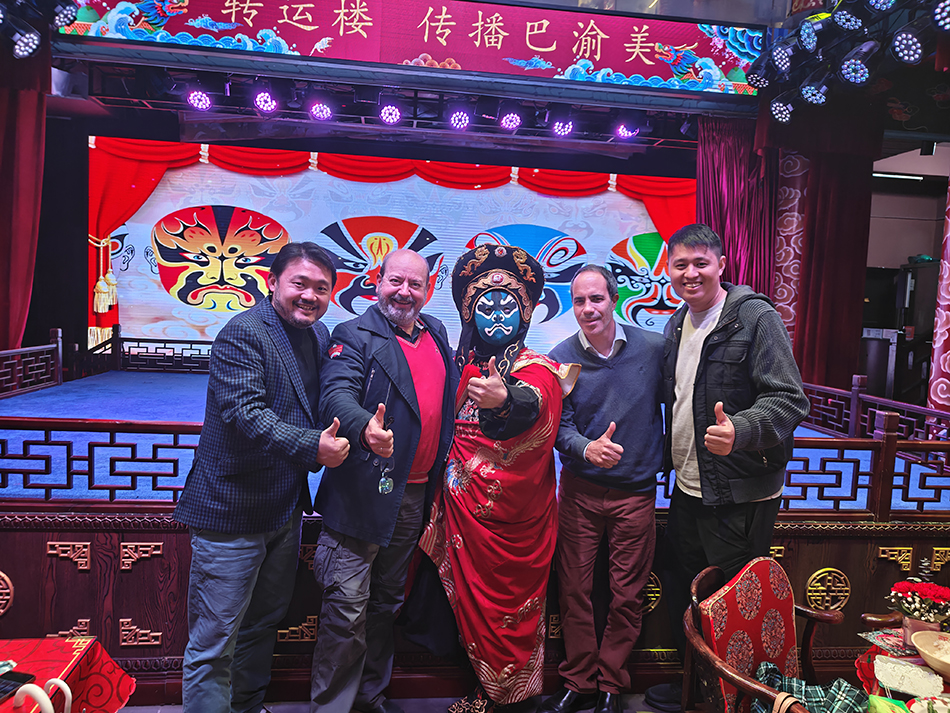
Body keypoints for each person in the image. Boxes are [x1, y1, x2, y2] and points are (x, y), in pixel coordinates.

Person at [174, 242, 350, 713]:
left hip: (283, 509)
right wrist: (313, 447)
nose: (310, 295)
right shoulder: (243, 333)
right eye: (299, 284)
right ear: (273, 282)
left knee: (262, 625)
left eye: (321, 288)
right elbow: (245, 415)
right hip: (230, 510)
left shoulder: (318, 335)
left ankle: (247, 706)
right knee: (214, 642)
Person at [645, 224, 810, 712]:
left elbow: (790, 399)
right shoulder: (677, 324)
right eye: (680, 264)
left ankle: (739, 700)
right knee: (689, 593)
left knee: (735, 604)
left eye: (701, 263)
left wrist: (742, 428)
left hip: (740, 493)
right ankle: (698, 689)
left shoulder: (755, 317)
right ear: (668, 270)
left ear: (721, 264)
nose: (690, 273)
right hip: (689, 487)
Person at [418, 244, 578, 713]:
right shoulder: (462, 365)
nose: (497, 316)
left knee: (511, 612)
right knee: (470, 611)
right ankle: (487, 693)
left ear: (525, 314)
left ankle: (514, 699)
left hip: (516, 521)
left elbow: (531, 404)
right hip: (463, 516)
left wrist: (504, 401)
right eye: (486, 308)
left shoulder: (538, 370)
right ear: (470, 314)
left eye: (508, 307)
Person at [310, 248, 458, 713]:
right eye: (396, 281)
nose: (404, 292)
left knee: (386, 604)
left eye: (415, 284)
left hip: (414, 495)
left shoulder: (436, 332)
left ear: (428, 290)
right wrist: (363, 429)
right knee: (347, 608)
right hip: (363, 494)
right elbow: (335, 394)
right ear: (377, 281)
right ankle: (332, 708)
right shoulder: (353, 334)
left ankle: (369, 698)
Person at [543, 265, 664, 713]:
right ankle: (579, 681)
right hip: (580, 491)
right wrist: (586, 448)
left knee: (626, 594)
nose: (588, 309)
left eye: (596, 299)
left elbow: (679, 402)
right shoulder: (561, 358)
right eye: (579, 301)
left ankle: (612, 682)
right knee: (574, 590)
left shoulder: (653, 348)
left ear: (614, 299)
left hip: (635, 493)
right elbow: (558, 427)